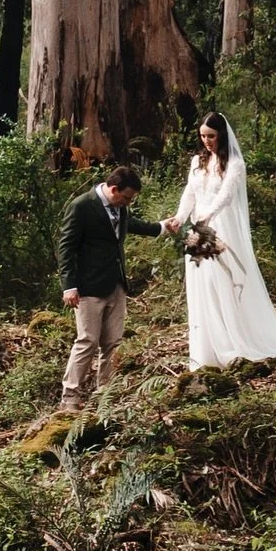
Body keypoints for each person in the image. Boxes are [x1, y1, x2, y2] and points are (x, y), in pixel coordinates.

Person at [168, 113, 276, 370]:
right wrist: (180, 217)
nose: (206, 141)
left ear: (221, 135)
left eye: (211, 136)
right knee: (202, 285)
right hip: (198, 230)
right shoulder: (196, 162)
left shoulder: (234, 164)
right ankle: (208, 347)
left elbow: (226, 194)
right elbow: (190, 192)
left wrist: (208, 214)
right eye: (203, 136)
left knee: (223, 281)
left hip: (220, 227)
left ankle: (233, 340)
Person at [58, 165, 172, 404]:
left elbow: (132, 224)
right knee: (87, 341)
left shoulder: (120, 208)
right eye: (127, 197)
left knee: (113, 343)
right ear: (113, 189)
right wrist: (69, 286)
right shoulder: (82, 205)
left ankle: (105, 396)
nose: (128, 203)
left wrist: (162, 227)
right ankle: (70, 397)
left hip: (116, 284)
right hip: (88, 287)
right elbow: (66, 247)